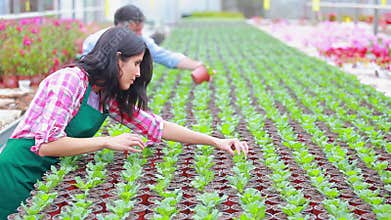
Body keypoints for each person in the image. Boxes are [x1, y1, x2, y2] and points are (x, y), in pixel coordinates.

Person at [0, 27, 248, 219]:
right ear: (118, 59)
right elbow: (46, 145)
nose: (139, 73)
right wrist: (107, 141)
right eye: (136, 63)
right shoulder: (70, 81)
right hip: (19, 171)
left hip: (50, 173)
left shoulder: (105, 94)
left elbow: (157, 127)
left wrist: (216, 141)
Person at [82, 4, 205, 72]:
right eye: (136, 30)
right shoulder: (94, 41)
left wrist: (196, 65)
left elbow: (164, 56)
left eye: (141, 30)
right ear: (121, 26)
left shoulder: (141, 40)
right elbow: (87, 71)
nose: (140, 34)